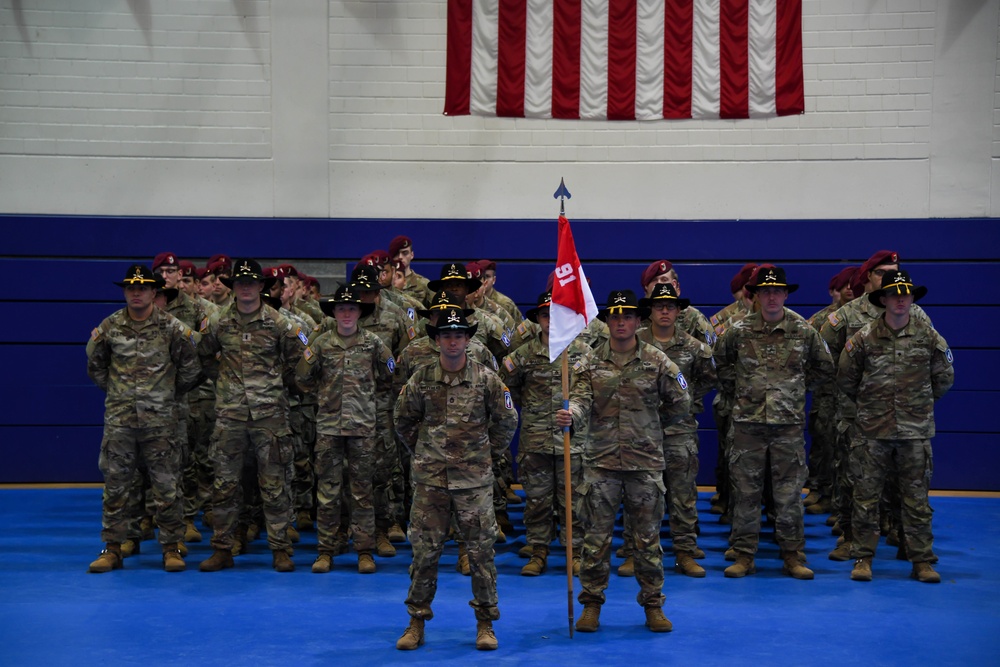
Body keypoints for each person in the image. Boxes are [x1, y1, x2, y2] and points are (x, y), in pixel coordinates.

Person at [557, 289, 691, 634]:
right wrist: (570, 414)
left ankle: (653, 606)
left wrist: (651, 428)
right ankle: (590, 605)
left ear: (637, 321)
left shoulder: (657, 361)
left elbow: (680, 401)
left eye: (627, 316)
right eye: (615, 317)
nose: (621, 322)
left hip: (644, 464)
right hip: (601, 463)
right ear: (608, 321)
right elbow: (581, 401)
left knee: (647, 540)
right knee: (595, 539)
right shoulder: (589, 362)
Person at [393, 306, 518, 651]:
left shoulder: (487, 379)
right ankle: (416, 622)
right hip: (431, 482)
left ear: (467, 339)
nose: (452, 341)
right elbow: (403, 420)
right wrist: (424, 453)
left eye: (458, 335)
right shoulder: (421, 378)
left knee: (481, 555)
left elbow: (507, 421)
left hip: (473, 482)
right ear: (436, 340)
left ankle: (485, 623)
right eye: (446, 335)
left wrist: (484, 454)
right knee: (424, 554)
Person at [714, 266, 835, 580]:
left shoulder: (803, 330)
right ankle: (743, 555)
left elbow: (824, 369)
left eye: (777, 291)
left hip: (787, 427)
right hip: (747, 427)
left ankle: (793, 555)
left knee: (789, 494)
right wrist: (745, 392)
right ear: (755, 296)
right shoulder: (738, 331)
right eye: (765, 291)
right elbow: (721, 366)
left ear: (785, 294)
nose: (771, 296)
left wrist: (792, 390)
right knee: (745, 493)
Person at [837, 270, 954, 583]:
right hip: (872, 432)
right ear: (883, 300)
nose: (901, 300)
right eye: (895, 295)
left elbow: (944, 377)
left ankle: (922, 561)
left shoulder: (929, 337)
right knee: (866, 497)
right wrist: (872, 407)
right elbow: (847, 378)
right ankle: (863, 558)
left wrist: (918, 405)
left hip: (914, 433)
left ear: (912, 299)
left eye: (906, 294)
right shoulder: (863, 338)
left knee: (916, 500)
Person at [86, 264, 201, 573]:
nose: (136, 293)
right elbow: (95, 366)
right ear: (125, 292)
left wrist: (166, 395)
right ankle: (112, 549)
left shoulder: (172, 327)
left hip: (160, 423)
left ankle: (171, 547)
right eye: (131, 288)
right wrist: (119, 393)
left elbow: (191, 367)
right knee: (116, 487)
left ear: (154, 292)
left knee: (167, 487)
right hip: (121, 423)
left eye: (142, 288)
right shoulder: (110, 327)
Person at [196, 259, 308, 573]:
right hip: (230, 415)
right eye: (240, 283)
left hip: (269, 416)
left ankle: (280, 550)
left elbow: (298, 361)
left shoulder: (279, 323)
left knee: (274, 486)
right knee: (225, 485)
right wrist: (224, 382)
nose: (245, 288)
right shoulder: (218, 322)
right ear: (233, 288)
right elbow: (204, 355)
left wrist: (274, 386)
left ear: (261, 286)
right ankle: (222, 548)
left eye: (251, 283)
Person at [295, 284, 395, 574]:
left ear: (360, 312)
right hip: (329, 427)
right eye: (341, 309)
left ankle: (364, 551)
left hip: (362, 428)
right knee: (328, 491)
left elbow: (389, 375)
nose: (347, 314)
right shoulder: (322, 344)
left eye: (352, 308)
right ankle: (325, 550)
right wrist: (324, 398)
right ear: (334, 313)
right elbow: (302, 377)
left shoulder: (374, 343)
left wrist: (367, 400)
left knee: (362, 491)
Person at [500, 291, 591, 577]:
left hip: (572, 441)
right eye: (545, 315)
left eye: (557, 314)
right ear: (538, 320)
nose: (551, 320)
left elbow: (590, 394)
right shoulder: (522, 355)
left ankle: (574, 553)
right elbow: (505, 389)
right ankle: (538, 551)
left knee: (574, 501)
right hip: (535, 441)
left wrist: (574, 414)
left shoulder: (583, 353)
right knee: (537, 502)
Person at [635, 282, 717, 577]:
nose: (665, 311)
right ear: (651, 311)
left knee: (683, 496)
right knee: (641, 497)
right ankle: (639, 552)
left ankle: (685, 552)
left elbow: (708, 379)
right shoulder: (636, 342)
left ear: (679, 311)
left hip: (680, 432)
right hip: (641, 433)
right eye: (660, 307)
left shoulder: (695, 348)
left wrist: (687, 403)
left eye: (671, 306)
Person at [390, 235, 433, 306]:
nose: (400, 257)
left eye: (405, 253)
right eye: (396, 254)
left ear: (412, 255)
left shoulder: (424, 284)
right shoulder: (386, 283)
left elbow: (434, 313)